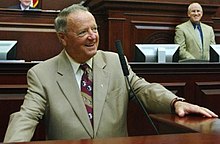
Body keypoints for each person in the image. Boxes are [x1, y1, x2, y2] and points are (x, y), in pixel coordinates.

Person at [4, 3, 218, 143]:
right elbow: (27, 116)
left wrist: (175, 102)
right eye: (82, 32)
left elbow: (143, 89)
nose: (92, 37)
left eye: (94, 29)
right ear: (62, 37)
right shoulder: (42, 73)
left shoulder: (115, 62)